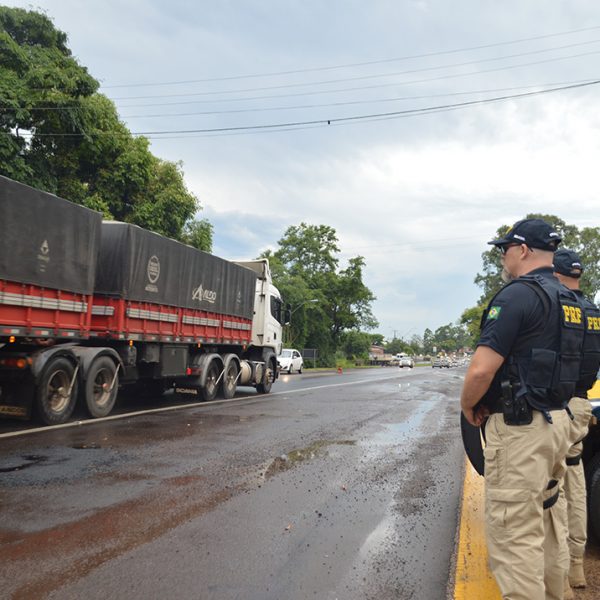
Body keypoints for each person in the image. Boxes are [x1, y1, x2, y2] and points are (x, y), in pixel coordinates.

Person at [460, 218, 585, 600]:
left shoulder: (517, 295)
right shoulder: (571, 301)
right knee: (548, 518)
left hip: (521, 432)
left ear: (524, 250)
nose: (502, 257)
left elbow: (482, 368)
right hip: (559, 423)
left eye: (505, 249)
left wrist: (468, 406)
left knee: (515, 536)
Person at [553, 249, 598, 595]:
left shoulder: (559, 308)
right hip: (583, 404)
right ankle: (577, 566)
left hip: (559, 407)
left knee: (553, 492)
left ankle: (559, 576)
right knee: (577, 481)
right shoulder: (593, 312)